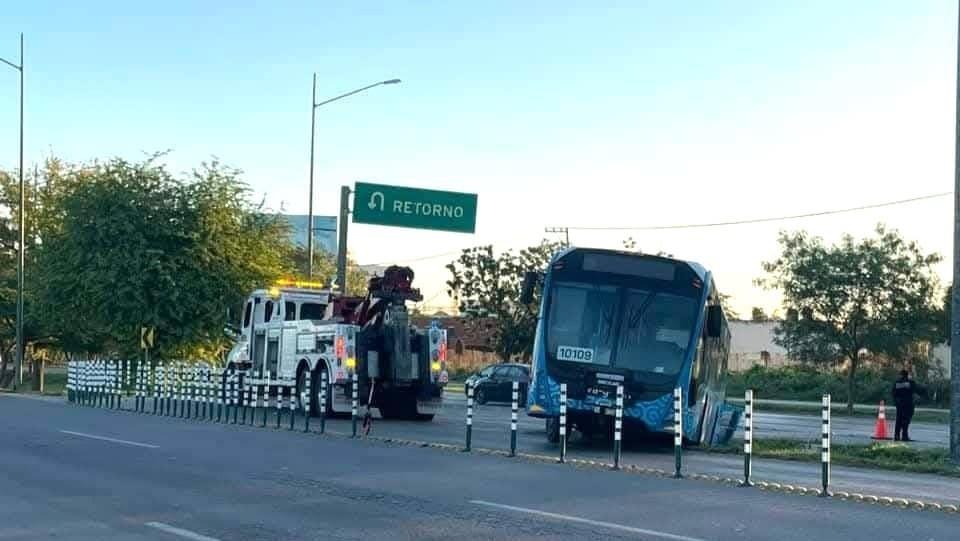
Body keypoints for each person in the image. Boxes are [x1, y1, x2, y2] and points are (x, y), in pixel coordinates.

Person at [892, 369, 924, 442]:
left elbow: (893, 393)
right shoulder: (910, 382)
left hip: (899, 404)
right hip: (908, 404)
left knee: (898, 420)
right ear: (907, 375)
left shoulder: (897, 383)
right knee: (906, 421)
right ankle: (904, 436)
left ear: (901, 375)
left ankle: (896, 436)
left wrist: (896, 403)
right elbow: (918, 390)